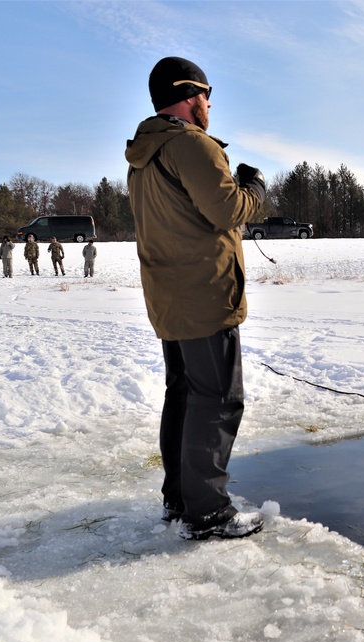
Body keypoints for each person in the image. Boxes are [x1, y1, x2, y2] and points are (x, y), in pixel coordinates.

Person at [125, 56, 266, 540]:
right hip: (204, 295)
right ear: (188, 96)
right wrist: (254, 187)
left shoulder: (146, 153)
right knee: (218, 400)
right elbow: (226, 210)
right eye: (206, 95)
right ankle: (207, 512)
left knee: (184, 396)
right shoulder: (191, 146)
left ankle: (181, 498)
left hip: (170, 296)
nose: (209, 105)